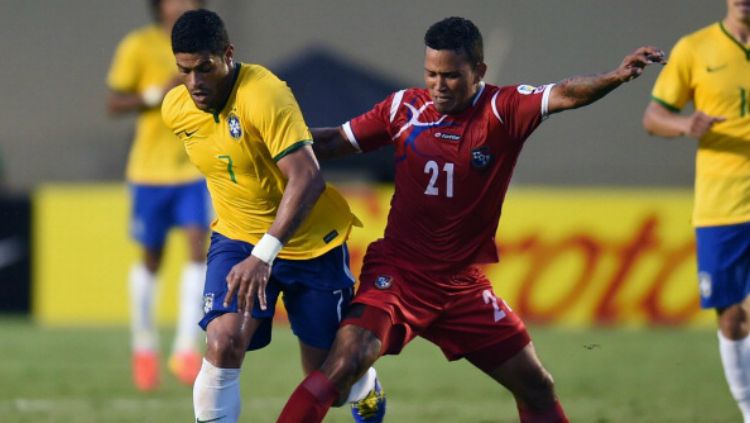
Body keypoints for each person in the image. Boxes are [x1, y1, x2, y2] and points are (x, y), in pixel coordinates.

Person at [276, 16, 665, 423]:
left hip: (461, 287)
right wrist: (274, 143)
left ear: (479, 71)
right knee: (342, 366)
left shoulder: (504, 110)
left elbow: (566, 93)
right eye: (431, 74)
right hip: (399, 275)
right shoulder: (403, 108)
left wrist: (615, 77)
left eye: (451, 76)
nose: (439, 86)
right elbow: (336, 141)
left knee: (537, 386)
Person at [161, 9, 386, 423]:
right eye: (184, 70)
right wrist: (251, 249)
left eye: (204, 69)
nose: (194, 82)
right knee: (223, 342)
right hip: (237, 240)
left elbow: (308, 177)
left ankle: (364, 383)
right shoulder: (176, 110)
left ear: (228, 55)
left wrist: (264, 254)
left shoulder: (264, 94)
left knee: (328, 384)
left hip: (308, 244)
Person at [643, 1, 750, 420]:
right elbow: (653, 117)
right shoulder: (695, 49)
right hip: (720, 203)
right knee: (732, 318)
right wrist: (685, 125)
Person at [106, 0, 209, 391]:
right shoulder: (138, 45)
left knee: (198, 248)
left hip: (193, 168)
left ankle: (186, 347)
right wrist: (155, 95)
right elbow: (114, 103)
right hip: (148, 171)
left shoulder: (208, 45)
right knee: (152, 258)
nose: (181, 4)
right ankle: (144, 346)